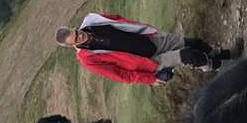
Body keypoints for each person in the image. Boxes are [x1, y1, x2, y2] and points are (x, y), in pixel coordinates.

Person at [57, 12, 237, 85]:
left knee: (194, 43)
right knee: (188, 55)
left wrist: (147, 30)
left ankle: (226, 54)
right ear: (71, 46)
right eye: (76, 39)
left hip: (150, 42)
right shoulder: (89, 59)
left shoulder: (92, 20)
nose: (81, 35)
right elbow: (120, 75)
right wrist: (150, 79)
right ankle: (221, 67)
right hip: (148, 63)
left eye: (77, 31)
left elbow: (119, 20)